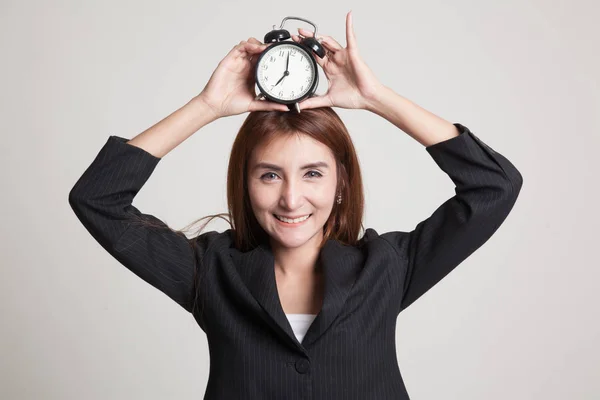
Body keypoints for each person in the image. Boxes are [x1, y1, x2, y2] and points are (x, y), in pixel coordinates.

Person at [68, 11, 523, 400]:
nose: (291, 198)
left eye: (312, 174)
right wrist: (208, 105)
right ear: (245, 184)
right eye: (269, 175)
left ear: (341, 182)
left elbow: (493, 185)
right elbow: (97, 199)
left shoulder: (387, 267)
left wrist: (375, 98)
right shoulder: (211, 272)